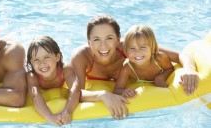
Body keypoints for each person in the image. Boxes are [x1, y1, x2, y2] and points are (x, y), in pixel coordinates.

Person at [70, 15, 199, 120]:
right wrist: (102, 95)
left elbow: (180, 55)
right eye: (96, 39)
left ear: (118, 39)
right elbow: (77, 92)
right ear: (88, 41)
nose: (103, 46)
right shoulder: (81, 56)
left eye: (109, 38)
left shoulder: (130, 48)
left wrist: (189, 69)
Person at [26, 36, 80, 126]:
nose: (42, 63)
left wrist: (68, 110)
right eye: (36, 60)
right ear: (31, 63)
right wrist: (48, 116)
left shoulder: (65, 70)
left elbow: (75, 89)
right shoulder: (32, 76)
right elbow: (35, 96)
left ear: (57, 57)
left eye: (46, 57)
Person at [114, 25, 174, 98]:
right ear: (126, 50)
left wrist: (160, 78)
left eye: (143, 47)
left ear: (152, 48)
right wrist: (124, 91)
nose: (137, 52)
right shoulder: (127, 68)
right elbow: (117, 89)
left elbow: (170, 69)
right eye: (132, 48)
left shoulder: (159, 59)